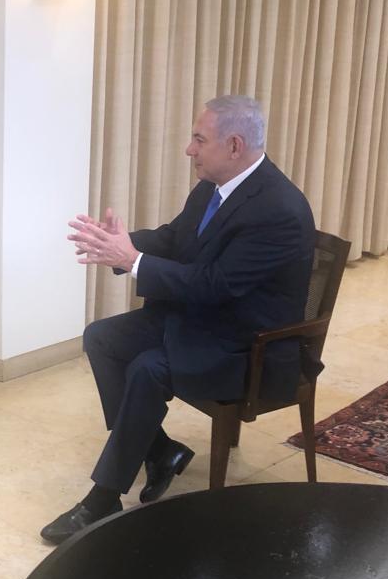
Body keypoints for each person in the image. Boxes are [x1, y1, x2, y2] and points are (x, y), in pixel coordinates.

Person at [40, 95, 315, 544]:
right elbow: (175, 239)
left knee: (147, 367)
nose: (189, 150)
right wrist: (123, 244)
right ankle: (161, 450)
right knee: (101, 338)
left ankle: (104, 497)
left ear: (234, 145)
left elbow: (215, 284)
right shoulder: (214, 185)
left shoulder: (278, 210)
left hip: (248, 345)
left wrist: (132, 261)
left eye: (198, 140)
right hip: (203, 319)